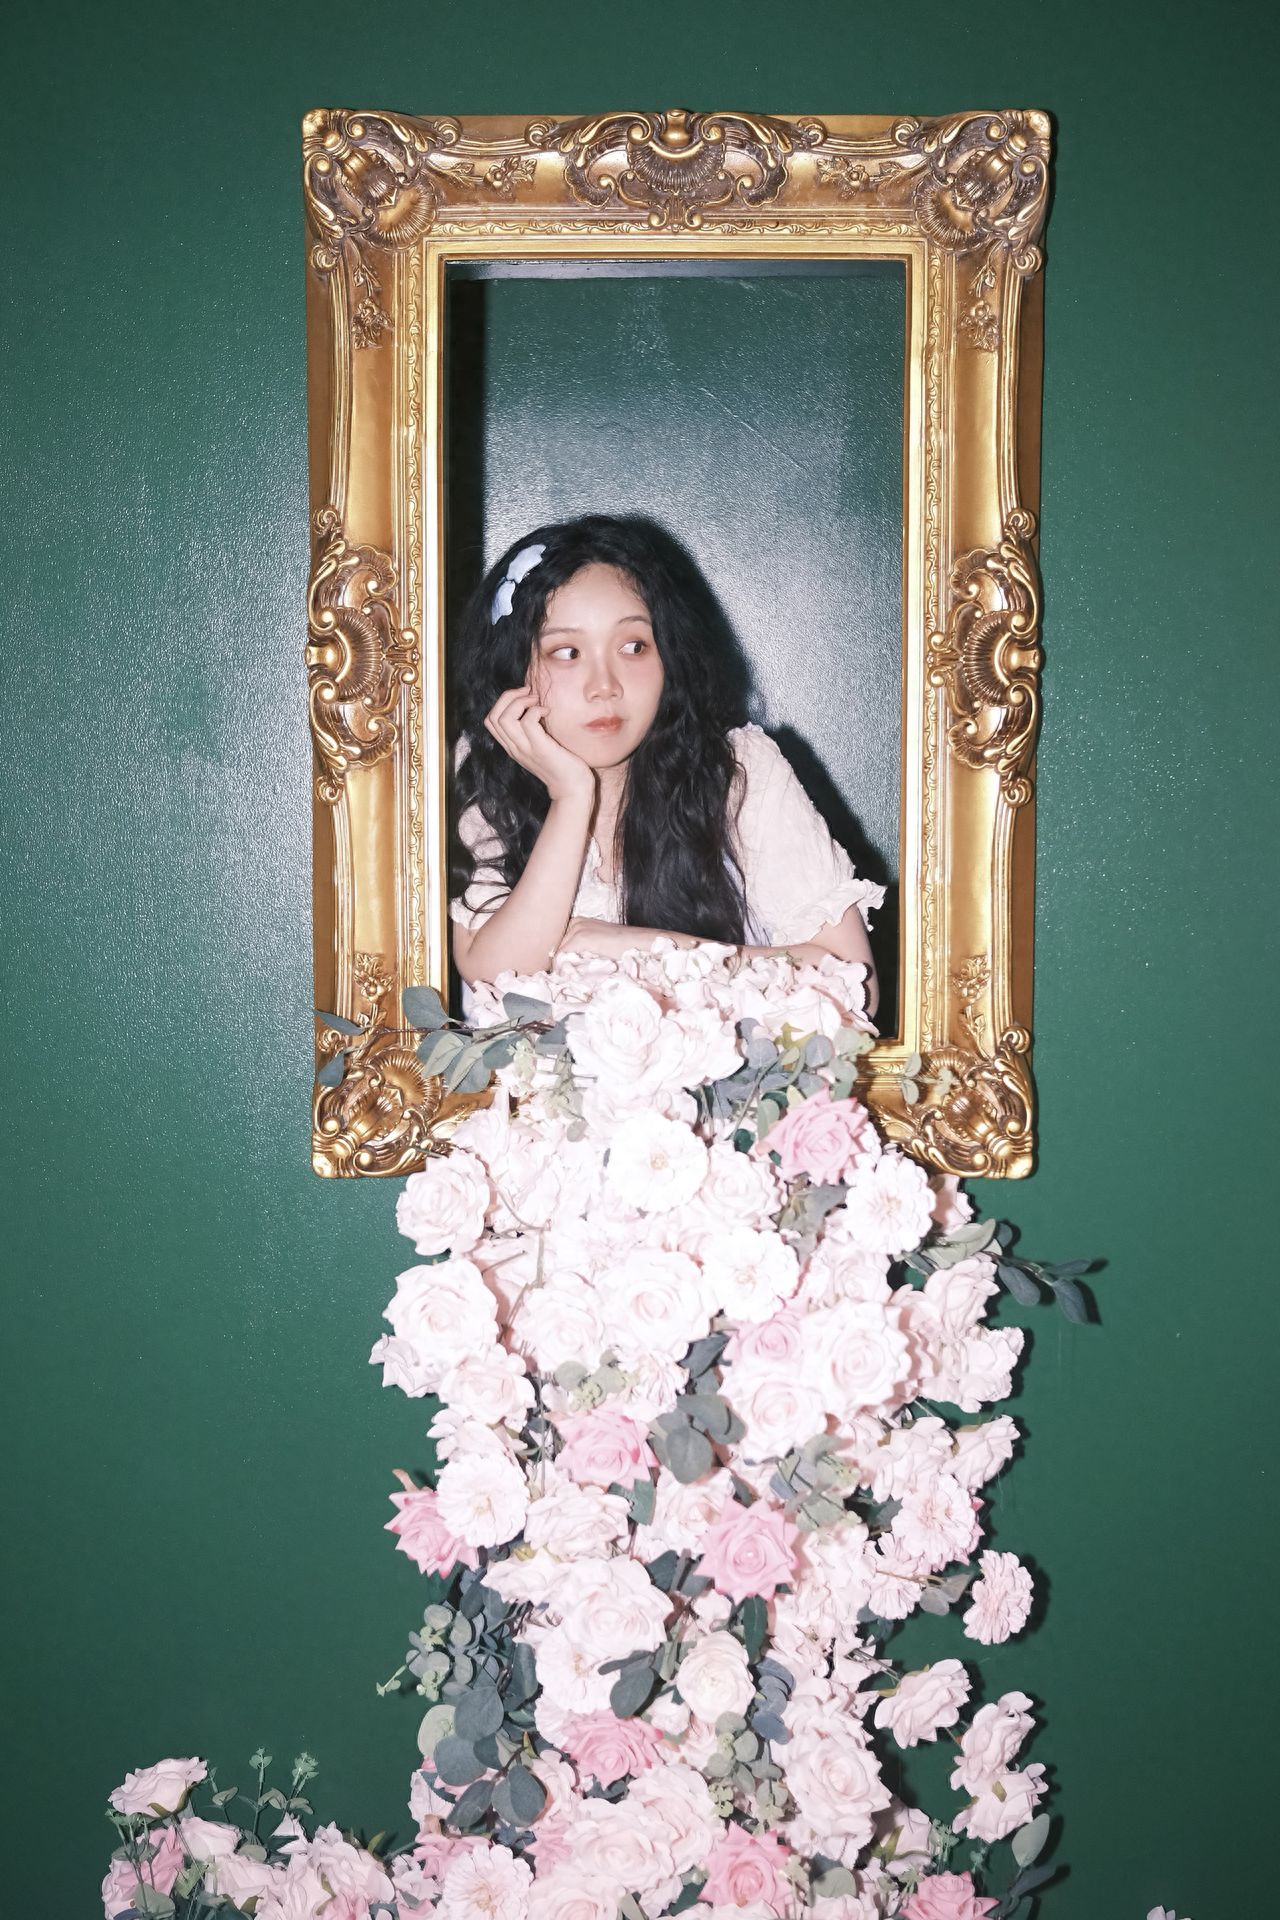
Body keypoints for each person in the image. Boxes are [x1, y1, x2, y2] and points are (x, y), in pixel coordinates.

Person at [448, 514, 884, 1017]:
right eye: (566, 653)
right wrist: (571, 797)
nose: (605, 685)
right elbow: (501, 975)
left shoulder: (740, 772)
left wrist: (636, 946)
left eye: (633, 646)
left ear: (667, 656)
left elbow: (853, 989)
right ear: (513, 669)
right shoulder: (481, 775)